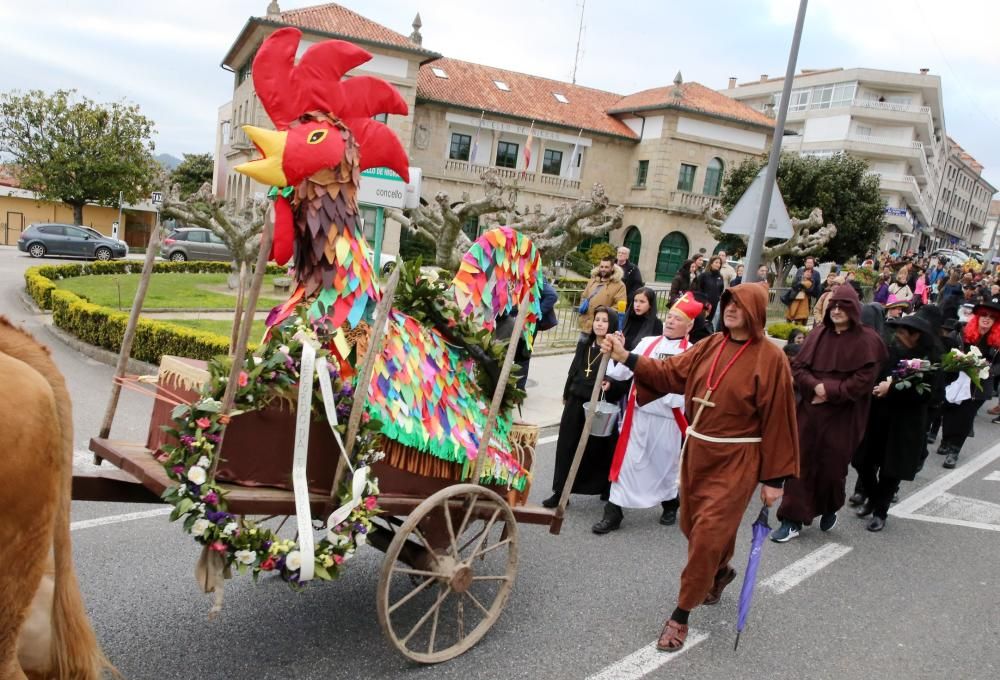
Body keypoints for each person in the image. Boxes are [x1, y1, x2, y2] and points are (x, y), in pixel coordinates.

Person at [601, 283, 799, 652]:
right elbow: (667, 373)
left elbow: (779, 421)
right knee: (692, 525)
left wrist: (774, 479)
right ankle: (720, 572)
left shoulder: (771, 359)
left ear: (754, 312)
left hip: (737, 458)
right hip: (697, 451)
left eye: (739, 306)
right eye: (728, 304)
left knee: (708, 533)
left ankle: (680, 614)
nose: (731, 311)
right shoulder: (710, 346)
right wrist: (627, 356)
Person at [771, 285, 887, 542]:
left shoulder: (867, 340)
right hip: (810, 407)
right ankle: (791, 519)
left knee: (832, 466)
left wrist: (831, 391)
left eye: (841, 306)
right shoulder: (817, 334)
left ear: (853, 309)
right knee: (800, 463)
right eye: (832, 305)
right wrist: (816, 387)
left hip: (844, 413)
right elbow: (798, 366)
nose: (835, 310)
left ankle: (829, 505)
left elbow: (864, 379)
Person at [592, 293, 705, 534]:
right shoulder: (648, 343)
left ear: (690, 325)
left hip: (669, 422)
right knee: (626, 465)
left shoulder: (694, 352)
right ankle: (613, 513)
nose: (671, 321)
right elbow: (622, 371)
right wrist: (613, 351)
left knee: (664, 467)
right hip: (639, 417)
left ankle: (670, 503)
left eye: (678, 318)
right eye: (670, 316)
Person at [853, 310, 941, 531]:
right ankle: (872, 498)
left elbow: (929, 396)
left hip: (905, 424)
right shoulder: (890, 352)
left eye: (903, 332)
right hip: (877, 417)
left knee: (891, 471)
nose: (898, 336)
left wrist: (891, 389)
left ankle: (880, 512)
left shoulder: (930, 361)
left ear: (916, 336)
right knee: (862, 461)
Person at [544, 307, 625, 508]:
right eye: (597, 319)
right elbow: (573, 371)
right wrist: (566, 394)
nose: (599, 323)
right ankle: (560, 491)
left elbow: (622, 379)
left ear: (612, 325)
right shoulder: (584, 346)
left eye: (605, 321)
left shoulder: (615, 351)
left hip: (598, 405)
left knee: (600, 448)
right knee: (566, 446)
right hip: (575, 401)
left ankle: (606, 487)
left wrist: (610, 385)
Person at [937, 296, 1000, 468]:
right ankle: (946, 440)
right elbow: (947, 348)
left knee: (965, 417)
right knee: (950, 412)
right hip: (956, 379)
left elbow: (998, 365)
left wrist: (987, 370)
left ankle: (954, 450)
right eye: (984, 315)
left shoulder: (998, 341)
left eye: (992, 317)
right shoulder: (961, 331)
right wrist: (956, 360)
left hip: (978, 386)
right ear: (978, 316)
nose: (987, 319)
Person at [577, 257, 626, 342]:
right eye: (602, 266)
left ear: (612, 268)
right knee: (581, 350)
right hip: (586, 324)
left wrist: (603, 313)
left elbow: (620, 306)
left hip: (602, 327)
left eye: (606, 267)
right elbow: (584, 295)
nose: (603, 269)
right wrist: (583, 305)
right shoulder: (593, 280)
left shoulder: (619, 285)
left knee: (596, 351)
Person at [693, 256, 725, 324]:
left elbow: (721, 290)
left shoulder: (720, 277)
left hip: (714, 304)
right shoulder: (704, 275)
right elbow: (697, 289)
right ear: (711, 264)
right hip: (703, 304)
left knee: (708, 323)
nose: (718, 264)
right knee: (700, 322)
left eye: (719, 263)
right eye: (716, 262)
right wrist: (703, 301)